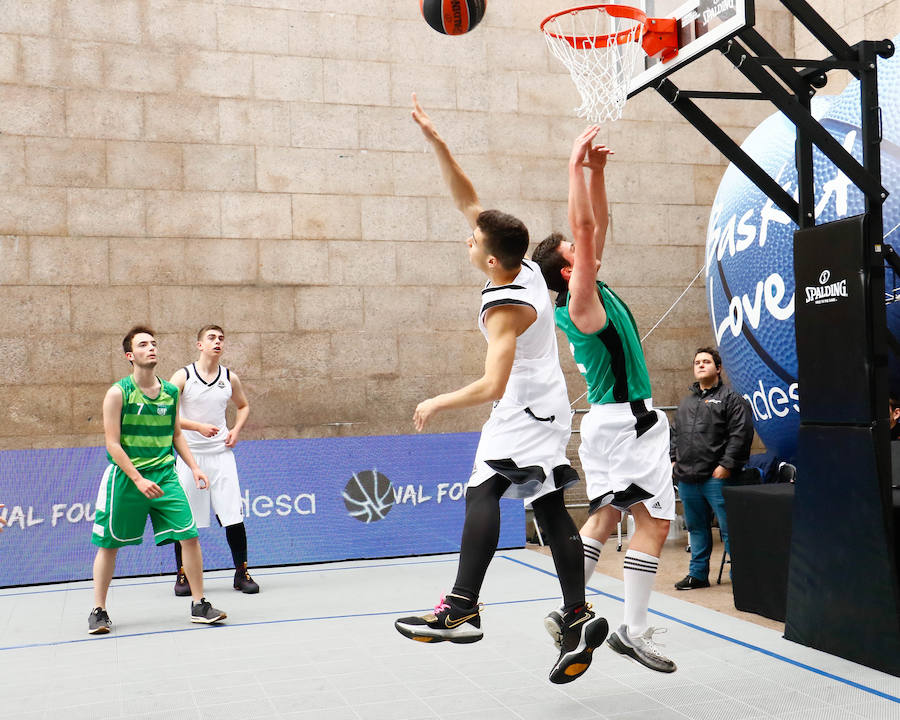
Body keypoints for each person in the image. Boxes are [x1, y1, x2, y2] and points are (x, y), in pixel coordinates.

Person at [393, 95, 608, 685]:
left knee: (481, 491)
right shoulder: (527, 267)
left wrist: (438, 400)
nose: (467, 240)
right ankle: (577, 615)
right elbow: (469, 200)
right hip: (546, 404)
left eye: (472, 242)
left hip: (523, 407)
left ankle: (462, 606)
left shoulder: (503, 308)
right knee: (546, 505)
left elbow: (492, 383)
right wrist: (437, 141)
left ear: (491, 260)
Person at [532, 127, 677, 673]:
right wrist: (574, 167)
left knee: (603, 518)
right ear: (570, 270)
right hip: (631, 423)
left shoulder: (584, 295)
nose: (587, 246)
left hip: (606, 424)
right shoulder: (583, 301)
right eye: (577, 250)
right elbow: (586, 226)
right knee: (655, 524)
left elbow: (598, 225)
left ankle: (569, 611)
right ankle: (633, 631)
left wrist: (597, 174)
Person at [89, 326, 226, 634]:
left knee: (189, 536)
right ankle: (98, 610)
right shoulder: (117, 393)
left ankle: (200, 604)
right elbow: (112, 444)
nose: (151, 348)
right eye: (143, 345)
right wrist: (137, 479)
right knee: (108, 544)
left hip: (165, 475)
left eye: (153, 343)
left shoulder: (170, 392)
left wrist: (194, 467)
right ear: (130, 355)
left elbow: (176, 434)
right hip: (127, 478)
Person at [169, 325, 258, 596]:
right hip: (189, 456)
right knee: (185, 519)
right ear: (199, 345)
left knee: (233, 515)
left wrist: (236, 429)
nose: (217, 342)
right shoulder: (183, 376)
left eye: (221, 338)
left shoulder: (230, 378)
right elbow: (165, 413)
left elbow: (243, 406)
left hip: (221, 456)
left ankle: (241, 572)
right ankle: (183, 575)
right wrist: (196, 426)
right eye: (211, 338)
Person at [670, 347, 754, 591]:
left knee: (730, 531)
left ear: (718, 368)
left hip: (717, 478)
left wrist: (726, 466)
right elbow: (675, 435)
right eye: (697, 362)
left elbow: (741, 433)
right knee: (696, 529)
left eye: (706, 361)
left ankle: (741, 577)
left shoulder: (731, 399)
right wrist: (674, 460)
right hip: (688, 479)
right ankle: (697, 575)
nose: (701, 365)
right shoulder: (686, 403)